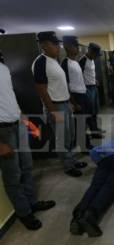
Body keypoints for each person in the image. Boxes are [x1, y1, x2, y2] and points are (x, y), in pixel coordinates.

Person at [0, 58, 55, 231]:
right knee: (13, 175)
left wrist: (24, 119)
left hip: (18, 123)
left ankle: (31, 203)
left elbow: (9, 96)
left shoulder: (3, 67)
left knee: (27, 166)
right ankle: (24, 213)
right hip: (3, 131)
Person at [32, 31, 86, 178]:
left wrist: (70, 102)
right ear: (43, 45)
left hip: (64, 103)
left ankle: (72, 160)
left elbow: (60, 85)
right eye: (54, 44)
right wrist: (53, 110)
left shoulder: (54, 61)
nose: (57, 47)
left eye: (58, 44)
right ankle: (68, 166)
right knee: (62, 138)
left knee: (70, 136)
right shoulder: (40, 62)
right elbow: (41, 90)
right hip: (55, 106)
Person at [61, 36, 93, 150]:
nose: (78, 49)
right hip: (76, 96)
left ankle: (85, 143)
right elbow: (66, 84)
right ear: (68, 47)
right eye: (75, 46)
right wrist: (73, 103)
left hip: (83, 94)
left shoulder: (75, 62)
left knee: (84, 122)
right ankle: (84, 146)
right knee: (80, 123)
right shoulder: (65, 63)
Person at [79, 43, 104, 137]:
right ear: (90, 51)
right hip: (87, 89)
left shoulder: (92, 60)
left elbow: (90, 73)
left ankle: (95, 128)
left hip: (93, 87)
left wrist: (95, 80)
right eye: (96, 54)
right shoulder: (83, 60)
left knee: (95, 110)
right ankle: (94, 132)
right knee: (90, 111)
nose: (96, 57)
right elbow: (79, 76)